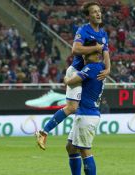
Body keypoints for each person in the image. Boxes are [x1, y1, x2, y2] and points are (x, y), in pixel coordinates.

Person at [35, 1, 110, 150]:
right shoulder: (83, 30)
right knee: (72, 107)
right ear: (88, 16)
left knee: (82, 106)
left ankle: (69, 134)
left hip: (90, 73)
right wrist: (95, 47)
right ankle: (43, 132)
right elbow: (75, 49)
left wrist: (108, 69)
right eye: (94, 11)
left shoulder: (103, 33)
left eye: (99, 11)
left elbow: (106, 52)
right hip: (77, 71)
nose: (98, 13)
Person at [64, 43, 105, 175]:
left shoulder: (92, 68)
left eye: (89, 54)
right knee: (70, 147)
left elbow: (71, 81)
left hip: (87, 115)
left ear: (97, 55)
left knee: (85, 150)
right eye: (85, 54)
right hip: (86, 113)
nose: (85, 57)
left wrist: (66, 78)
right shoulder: (101, 67)